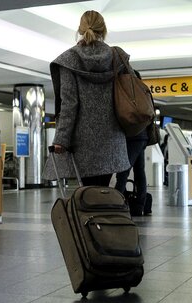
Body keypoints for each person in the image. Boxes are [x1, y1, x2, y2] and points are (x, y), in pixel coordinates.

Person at [44, 10, 129, 187]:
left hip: (82, 143)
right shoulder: (117, 57)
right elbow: (127, 93)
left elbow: (69, 104)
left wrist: (61, 139)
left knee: (89, 192)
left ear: (80, 29)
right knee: (104, 189)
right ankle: (106, 214)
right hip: (113, 139)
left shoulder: (69, 59)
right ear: (103, 29)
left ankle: (92, 215)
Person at [115, 130, 149, 216]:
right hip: (142, 137)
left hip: (132, 137)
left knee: (123, 171)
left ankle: (116, 204)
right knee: (139, 171)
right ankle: (139, 206)